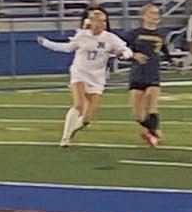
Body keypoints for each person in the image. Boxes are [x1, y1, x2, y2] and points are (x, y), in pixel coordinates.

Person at [36, 10, 134, 146]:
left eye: (104, 21)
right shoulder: (82, 35)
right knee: (79, 104)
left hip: (97, 77)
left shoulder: (110, 38)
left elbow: (128, 51)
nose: (101, 24)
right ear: (91, 21)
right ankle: (65, 137)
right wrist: (46, 43)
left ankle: (73, 130)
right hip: (80, 72)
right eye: (98, 20)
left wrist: (122, 54)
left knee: (87, 119)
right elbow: (67, 47)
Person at [123, 2, 176, 148]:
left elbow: (165, 50)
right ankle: (151, 132)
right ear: (143, 16)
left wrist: (172, 60)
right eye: (152, 13)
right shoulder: (134, 34)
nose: (155, 16)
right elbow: (121, 50)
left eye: (157, 14)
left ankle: (155, 132)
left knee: (152, 105)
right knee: (138, 115)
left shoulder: (160, 34)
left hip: (153, 74)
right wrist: (134, 55)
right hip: (138, 75)